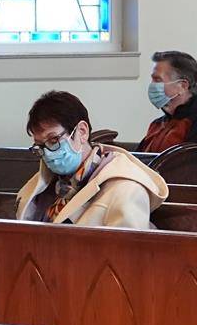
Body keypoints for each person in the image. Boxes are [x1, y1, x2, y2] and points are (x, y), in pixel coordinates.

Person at [17, 91, 166, 228]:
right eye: (41, 146)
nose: (48, 153)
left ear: (82, 132)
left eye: (54, 140)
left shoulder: (126, 189)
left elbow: (127, 254)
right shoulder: (43, 185)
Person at [138, 51, 197, 152]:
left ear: (182, 86)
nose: (152, 85)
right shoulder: (157, 124)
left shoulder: (194, 123)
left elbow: (188, 163)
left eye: (157, 80)